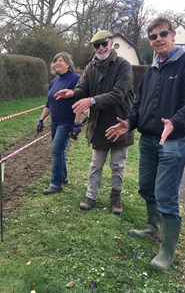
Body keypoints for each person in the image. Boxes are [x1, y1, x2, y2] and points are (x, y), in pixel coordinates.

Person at [106, 17, 185, 271]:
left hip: (173, 141)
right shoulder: (151, 70)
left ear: (173, 35)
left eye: (163, 34)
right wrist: (129, 123)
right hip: (149, 139)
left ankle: (168, 250)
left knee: (166, 195)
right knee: (146, 187)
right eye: (153, 36)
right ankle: (153, 228)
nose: (158, 39)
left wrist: (175, 121)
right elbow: (138, 105)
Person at [54, 30, 135, 214]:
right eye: (96, 45)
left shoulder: (123, 66)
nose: (100, 48)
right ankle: (91, 195)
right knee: (95, 164)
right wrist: (73, 93)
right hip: (98, 124)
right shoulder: (91, 67)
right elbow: (83, 87)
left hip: (119, 124)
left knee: (117, 165)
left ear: (111, 43)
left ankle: (116, 196)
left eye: (104, 44)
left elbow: (118, 95)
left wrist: (91, 101)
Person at [37, 52, 81, 195]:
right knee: (59, 150)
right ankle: (63, 177)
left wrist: (77, 123)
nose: (57, 63)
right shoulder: (54, 82)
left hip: (67, 122)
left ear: (68, 64)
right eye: (55, 61)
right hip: (54, 122)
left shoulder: (75, 79)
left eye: (60, 61)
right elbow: (48, 104)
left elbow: (80, 101)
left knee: (56, 150)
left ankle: (56, 184)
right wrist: (41, 120)